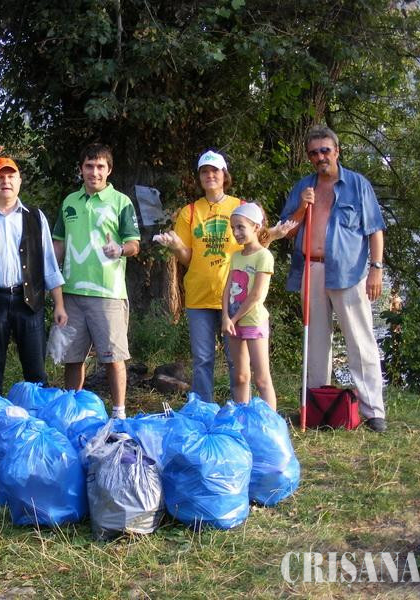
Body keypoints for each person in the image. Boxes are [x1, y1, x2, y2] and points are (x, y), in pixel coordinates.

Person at [156, 150, 292, 404]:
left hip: (235, 299)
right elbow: (187, 258)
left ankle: (239, 410)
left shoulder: (241, 207)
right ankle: (204, 410)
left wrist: (273, 235)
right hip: (199, 295)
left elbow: (255, 248)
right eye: (204, 171)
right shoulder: (189, 212)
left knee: (237, 362)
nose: (210, 175)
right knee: (202, 359)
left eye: (214, 171)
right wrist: (176, 247)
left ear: (224, 175)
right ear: (199, 177)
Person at [280, 124, 387, 432]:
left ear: (337, 151)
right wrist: (302, 207)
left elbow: (375, 229)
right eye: (314, 153)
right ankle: (315, 406)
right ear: (309, 157)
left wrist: (376, 269)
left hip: (350, 272)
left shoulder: (357, 184)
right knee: (314, 341)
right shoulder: (303, 187)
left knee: (360, 340)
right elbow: (286, 231)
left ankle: (373, 411)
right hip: (311, 269)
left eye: (325, 150)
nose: (320, 157)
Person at [0, 157, 67, 399]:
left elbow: (49, 263)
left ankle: (38, 418)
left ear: (19, 181)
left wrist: (59, 304)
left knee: (36, 375)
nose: (5, 181)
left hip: (29, 302)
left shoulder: (36, 216)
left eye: (10, 176)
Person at [52, 143, 140, 419]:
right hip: (71, 293)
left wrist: (120, 249)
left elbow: (134, 244)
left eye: (100, 166)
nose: (94, 172)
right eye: (89, 166)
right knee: (72, 358)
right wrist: (48, 276)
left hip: (108, 294)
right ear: (81, 169)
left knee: (114, 357)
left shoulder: (121, 202)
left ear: (109, 170)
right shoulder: (69, 202)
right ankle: (72, 412)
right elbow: (58, 244)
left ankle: (119, 414)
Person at [221, 203, 277, 409]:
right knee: (241, 376)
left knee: (261, 379)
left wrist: (234, 318)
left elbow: (256, 295)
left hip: (253, 322)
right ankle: (241, 418)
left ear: (256, 227)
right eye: (233, 228)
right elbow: (227, 288)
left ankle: (270, 422)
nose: (236, 232)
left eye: (241, 227)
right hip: (233, 323)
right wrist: (225, 317)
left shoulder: (264, 256)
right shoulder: (236, 256)